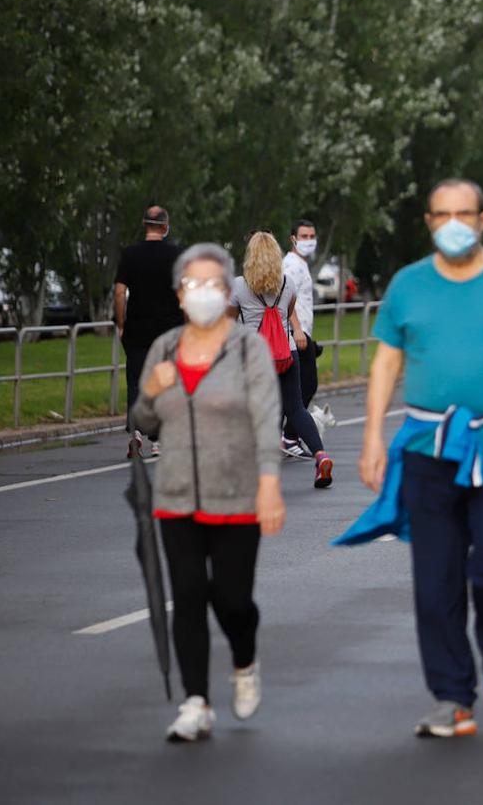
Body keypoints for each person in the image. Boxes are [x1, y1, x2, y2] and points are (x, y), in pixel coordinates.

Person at [355, 179, 483, 737]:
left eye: (464, 213)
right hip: (428, 452)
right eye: (442, 213)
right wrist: (373, 436)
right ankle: (452, 696)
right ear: (428, 222)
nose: (454, 222)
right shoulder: (408, 285)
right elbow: (385, 365)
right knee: (435, 579)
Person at [130, 243, 286, 743]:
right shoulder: (164, 349)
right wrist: (151, 391)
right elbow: (143, 421)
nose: (203, 294)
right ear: (180, 295)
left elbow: (267, 419)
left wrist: (268, 483)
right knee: (189, 596)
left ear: (227, 292)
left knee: (233, 600)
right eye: (193, 285)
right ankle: (195, 701)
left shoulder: (247, 349)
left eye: (213, 285)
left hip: (237, 495)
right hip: (176, 497)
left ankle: (244, 660)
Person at [229, 232, 334, 488]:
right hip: (286, 354)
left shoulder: (239, 286)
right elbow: (287, 314)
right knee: (296, 408)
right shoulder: (287, 284)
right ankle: (320, 456)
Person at [114, 206, 184, 459]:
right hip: (169, 329)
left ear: (145, 225)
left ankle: (135, 434)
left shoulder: (129, 255)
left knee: (136, 382)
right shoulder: (176, 255)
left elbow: (120, 292)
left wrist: (121, 323)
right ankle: (158, 439)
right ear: (165, 226)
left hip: (137, 329)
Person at [280, 219, 319, 457]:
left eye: (311, 236)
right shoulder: (291, 265)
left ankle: (288, 435)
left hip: (304, 333)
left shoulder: (300, 264)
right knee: (306, 385)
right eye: (304, 236)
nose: (309, 241)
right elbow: (286, 297)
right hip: (297, 334)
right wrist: (297, 329)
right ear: (293, 239)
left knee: (302, 387)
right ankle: (289, 436)